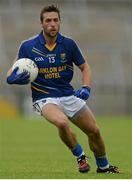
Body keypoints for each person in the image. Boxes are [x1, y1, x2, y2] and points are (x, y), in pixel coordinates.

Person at [6, 5, 119, 174]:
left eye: (55, 20)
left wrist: (86, 87)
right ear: (41, 24)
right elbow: (13, 68)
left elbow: (85, 67)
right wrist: (10, 78)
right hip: (44, 98)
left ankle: (103, 167)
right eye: (48, 21)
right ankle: (80, 156)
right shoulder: (28, 46)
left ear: (60, 22)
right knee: (61, 122)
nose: (52, 24)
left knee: (94, 131)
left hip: (68, 94)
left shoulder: (68, 44)